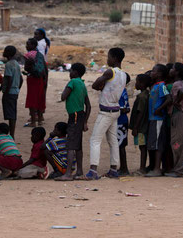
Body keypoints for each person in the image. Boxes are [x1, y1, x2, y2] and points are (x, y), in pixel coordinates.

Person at [85, 48, 128, 180]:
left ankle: (93, 170)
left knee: (95, 140)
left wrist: (100, 83)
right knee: (113, 141)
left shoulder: (110, 72)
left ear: (114, 58)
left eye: (109, 57)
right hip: (116, 109)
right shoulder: (124, 74)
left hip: (106, 111)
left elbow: (95, 85)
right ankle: (113, 169)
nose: (107, 60)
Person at [55, 63, 91, 181]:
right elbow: (88, 106)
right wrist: (85, 122)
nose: (69, 73)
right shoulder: (82, 84)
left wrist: (65, 90)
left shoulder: (73, 82)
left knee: (70, 144)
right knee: (78, 144)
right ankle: (79, 171)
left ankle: (68, 173)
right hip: (80, 115)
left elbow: (63, 97)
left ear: (75, 72)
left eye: (71, 71)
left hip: (74, 115)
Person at [145, 64, 172, 177]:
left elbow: (169, 98)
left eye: (154, 71)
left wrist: (159, 109)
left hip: (158, 119)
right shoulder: (155, 86)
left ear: (159, 74)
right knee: (153, 143)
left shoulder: (162, 86)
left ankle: (157, 169)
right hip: (153, 119)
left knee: (157, 144)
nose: (151, 73)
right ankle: (154, 167)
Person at [165, 62, 183, 178]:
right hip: (178, 115)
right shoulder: (179, 83)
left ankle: (180, 169)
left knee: (177, 142)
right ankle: (178, 168)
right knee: (176, 141)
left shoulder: (176, 84)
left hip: (179, 115)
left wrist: (176, 102)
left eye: (173, 69)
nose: (170, 70)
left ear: (177, 72)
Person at [129, 73, 152, 174]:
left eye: (137, 82)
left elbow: (140, 112)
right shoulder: (145, 94)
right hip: (144, 126)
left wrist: (135, 127)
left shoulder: (142, 97)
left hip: (141, 127)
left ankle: (142, 168)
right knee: (143, 147)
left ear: (142, 84)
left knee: (142, 147)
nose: (136, 83)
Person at [24, 38, 48, 128]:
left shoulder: (28, 55)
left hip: (33, 79)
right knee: (39, 98)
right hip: (40, 79)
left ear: (33, 45)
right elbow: (44, 68)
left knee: (32, 100)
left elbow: (26, 68)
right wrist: (45, 79)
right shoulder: (40, 55)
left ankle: (33, 121)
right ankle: (40, 118)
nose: (26, 46)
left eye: (28, 44)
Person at [1, 46, 22, 139]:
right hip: (14, 91)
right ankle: (12, 134)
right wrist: (17, 88)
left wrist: (6, 92)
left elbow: (8, 79)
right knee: (12, 112)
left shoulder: (9, 64)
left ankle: (12, 135)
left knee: (10, 114)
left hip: (9, 92)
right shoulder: (16, 64)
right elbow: (21, 79)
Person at [117, 83, 131, 176]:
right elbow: (127, 108)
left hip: (120, 121)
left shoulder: (119, 91)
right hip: (123, 120)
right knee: (121, 146)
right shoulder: (124, 90)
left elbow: (123, 109)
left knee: (120, 146)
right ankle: (122, 167)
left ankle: (124, 168)